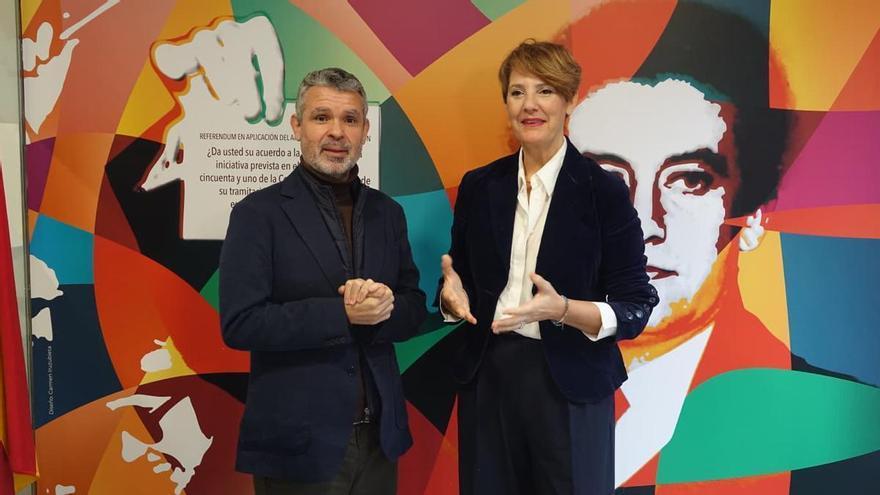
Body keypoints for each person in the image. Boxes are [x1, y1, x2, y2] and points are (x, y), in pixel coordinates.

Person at [566, 2, 795, 489]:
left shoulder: (820, 430)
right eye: (606, 179)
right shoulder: (483, 393)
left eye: (690, 180)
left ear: (755, 214)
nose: (642, 224)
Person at [439, 40, 657, 495]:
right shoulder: (480, 186)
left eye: (545, 91)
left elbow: (636, 305)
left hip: (572, 379)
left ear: (569, 100)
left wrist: (563, 310)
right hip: (488, 376)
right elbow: (461, 278)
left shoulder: (604, 192)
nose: (530, 105)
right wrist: (449, 297)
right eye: (517, 92)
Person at [219, 67, 427, 495]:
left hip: (379, 442)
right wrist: (343, 314)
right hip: (298, 446)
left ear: (365, 131)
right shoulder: (257, 214)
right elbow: (241, 323)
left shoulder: (388, 213)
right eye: (321, 117)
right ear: (297, 126)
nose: (337, 132)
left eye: (350, 119)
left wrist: (384, 307)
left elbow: (411, 307)